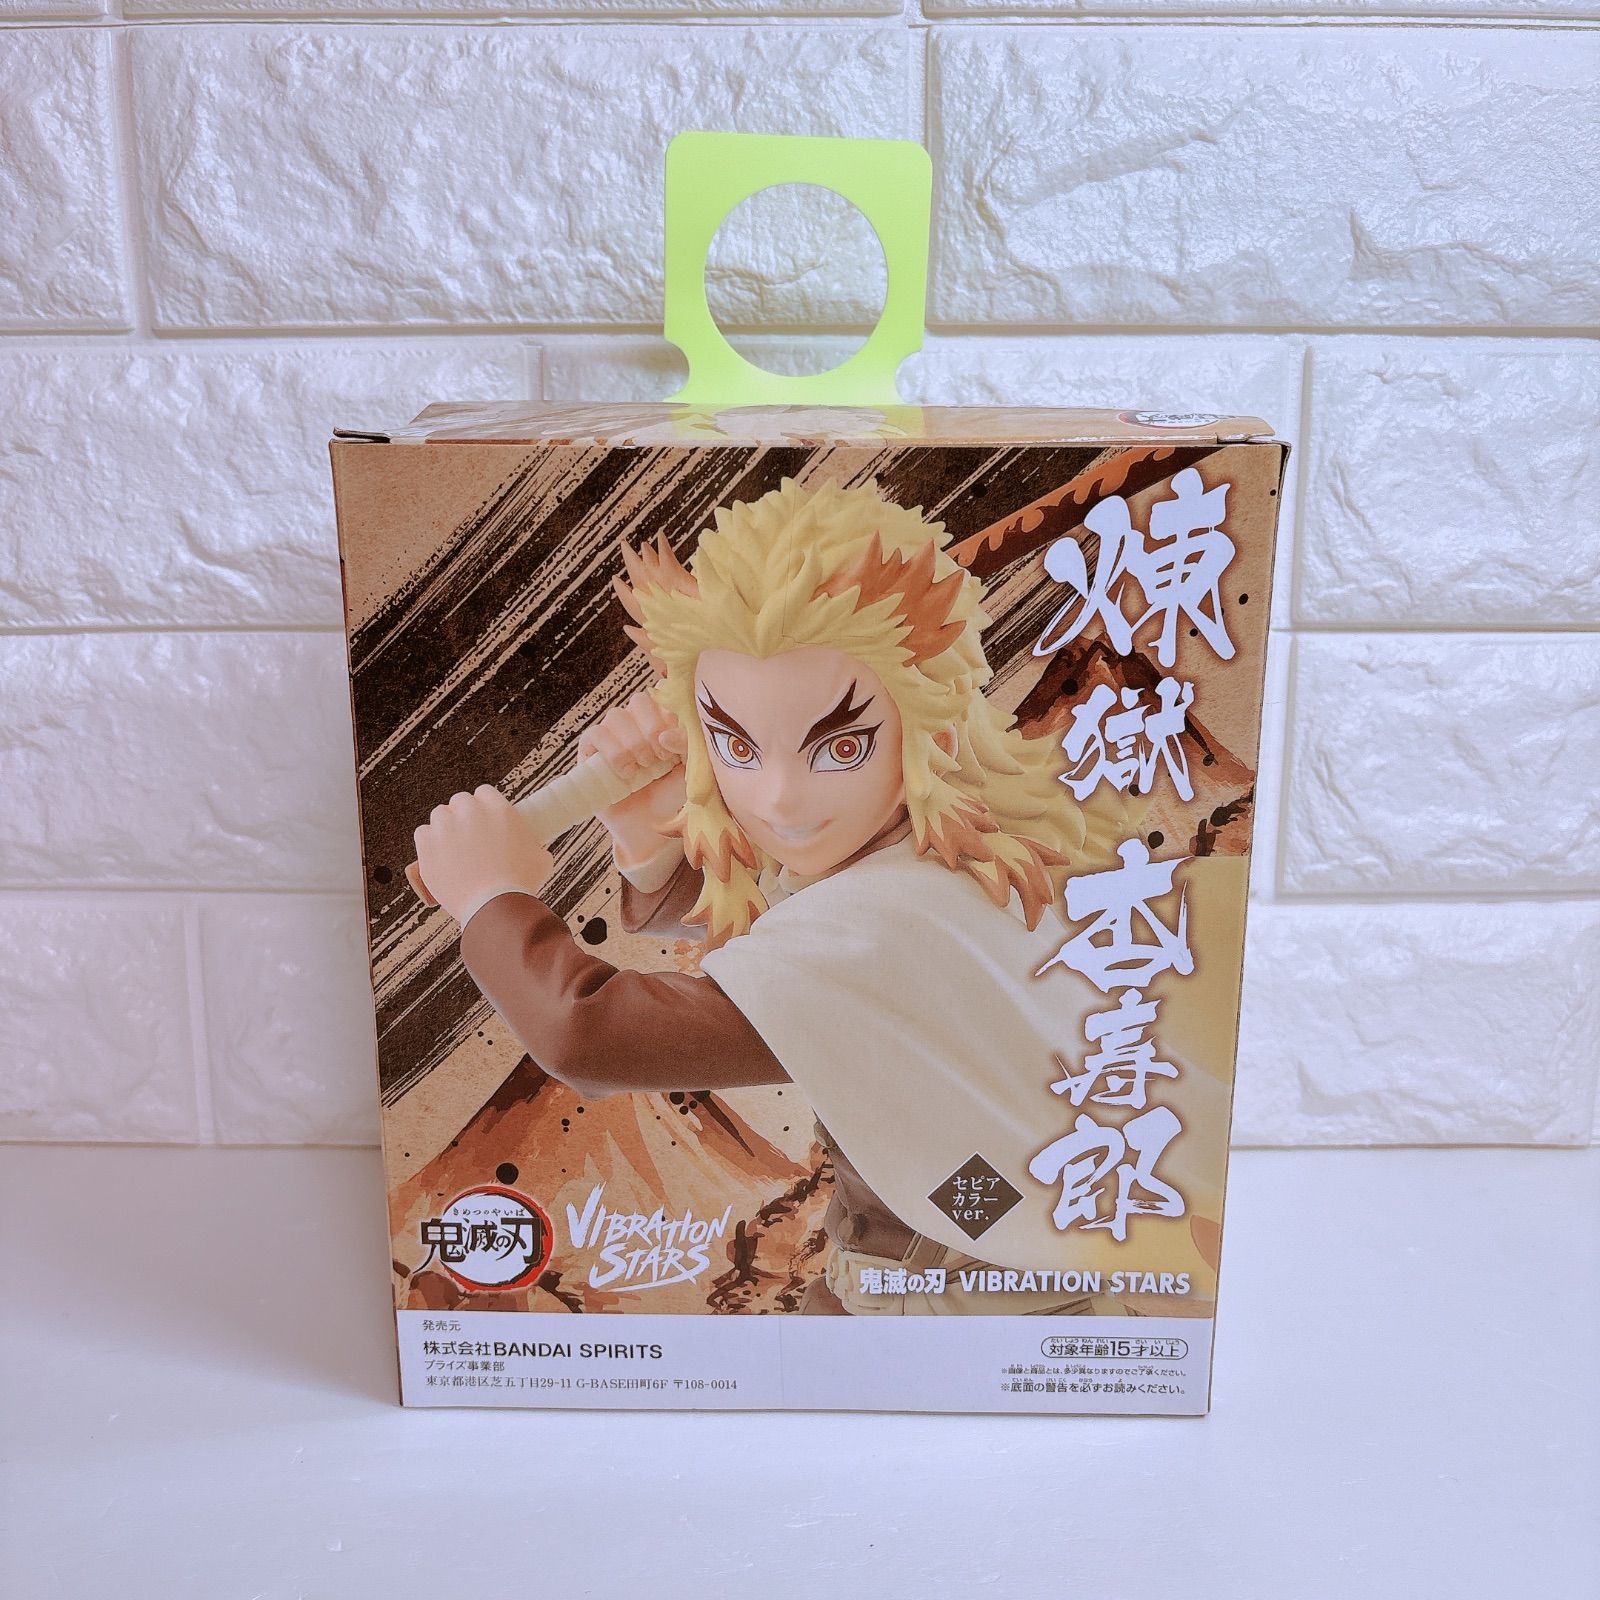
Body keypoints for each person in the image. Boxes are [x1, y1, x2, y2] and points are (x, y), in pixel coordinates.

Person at [414, 477, 1205, 1315]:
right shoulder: (960, 852)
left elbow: (589, 1034)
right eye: (739, 747)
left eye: (840, 746)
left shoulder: (881, 922)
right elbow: (785, 938)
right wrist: (651, 834)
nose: (780, 799)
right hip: (985, 1230)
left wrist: (490, 896)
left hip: (956, 1295)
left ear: (928, 727)